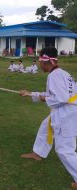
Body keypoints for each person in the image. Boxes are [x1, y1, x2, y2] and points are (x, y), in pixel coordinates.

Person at [19, 47, 77, 189]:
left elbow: (61, 98)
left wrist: (43, 98)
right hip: (67, 110)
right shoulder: (63, 73)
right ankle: (38, 153)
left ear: (47, 62)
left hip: (66, 113)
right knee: (46, 127)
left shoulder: (54, 76)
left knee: (64, 149)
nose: (39, 65)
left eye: (40, 61)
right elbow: (51, 94)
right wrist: (30, 93)